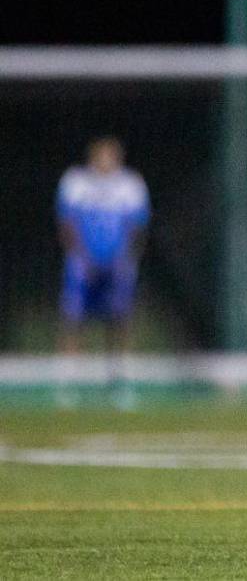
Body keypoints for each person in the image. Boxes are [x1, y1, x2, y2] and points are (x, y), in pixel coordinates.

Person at [56, 136, 151, 409]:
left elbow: (138, 226)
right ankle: (69, 383)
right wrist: (81, 257)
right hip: (82, 264)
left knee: (119, 320)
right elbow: (66, 222)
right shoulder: (75, 182)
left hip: (117, 264)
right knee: (73, 319)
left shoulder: (130, 185)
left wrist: (126, 259)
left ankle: (119, 380)